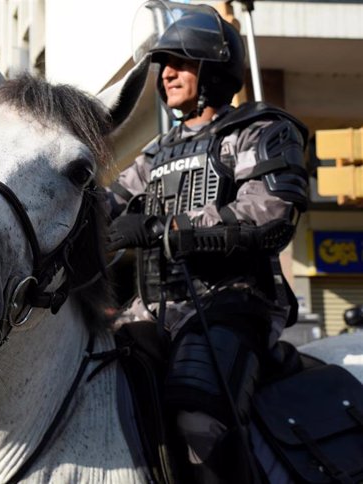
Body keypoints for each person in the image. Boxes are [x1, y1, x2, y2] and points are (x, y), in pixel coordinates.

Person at [106, 2, 308, 482]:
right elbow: (103, 205)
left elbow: (271, 214)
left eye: (182, 63)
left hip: (233, 302)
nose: (168, 75)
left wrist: (165, 230)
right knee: (90, 385)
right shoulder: (155, 154)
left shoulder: (259, 131)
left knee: (199, 421)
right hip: (154, 308)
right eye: (164, 67)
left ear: (215, 70)